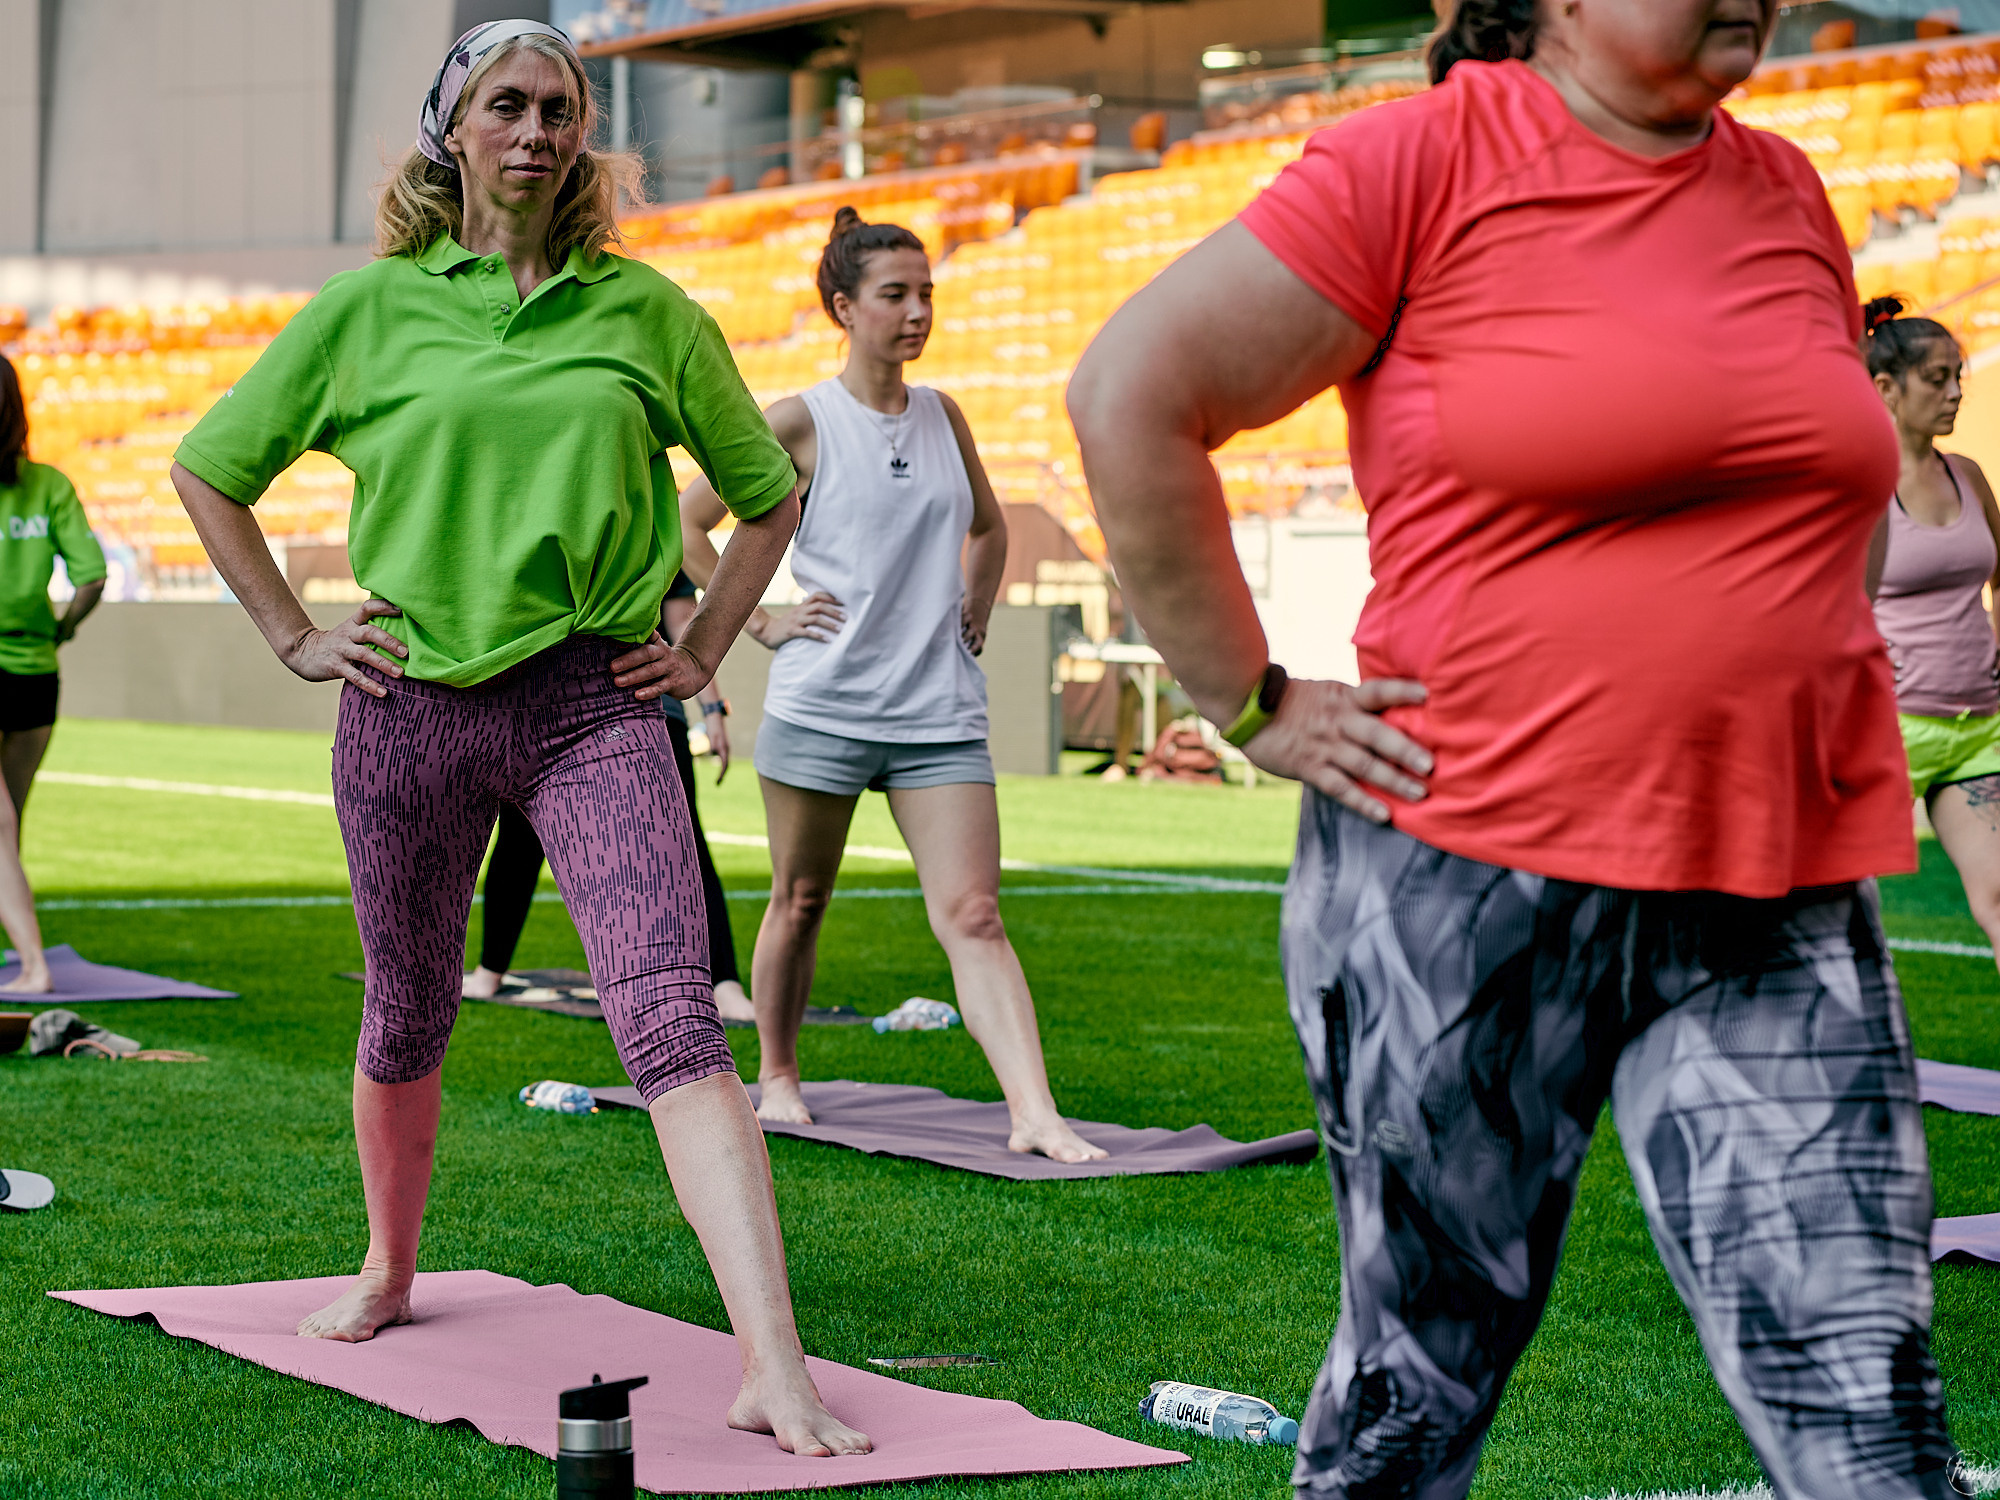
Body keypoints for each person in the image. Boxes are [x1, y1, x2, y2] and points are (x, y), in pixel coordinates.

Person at [1068, 1, 1957, 1495]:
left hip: (1775, 874)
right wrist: (1254, 702)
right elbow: (1130, 393)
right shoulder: (1415, 164)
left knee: (1868, 1401)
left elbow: (1822, 476)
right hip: (1464, 872)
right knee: (1415, 1395)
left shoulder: (1786, 188)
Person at [168, 20, 868, 1457]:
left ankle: (773, 1364)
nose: (537, 131)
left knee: (670, 1015)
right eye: (507, 105)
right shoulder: (367, 312)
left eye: (560, 107)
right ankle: (387, 1269)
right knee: (406, 1010)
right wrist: (294, 634)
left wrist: (702, 649)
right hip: (405, 708)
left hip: (591, 709)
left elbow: (766, 496)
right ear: (455, 128)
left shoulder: (647, 312)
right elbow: (209, 468)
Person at [679, 208, 1104, 1163]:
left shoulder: (945, 415)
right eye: (895, 296)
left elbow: (989, 527)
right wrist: (760, 620)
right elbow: (685, 521)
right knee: (800, 900)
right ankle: (778, 1076)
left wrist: (976, 606)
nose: (917, 313)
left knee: (975, 914)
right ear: (843, 307)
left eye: (927, 295)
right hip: (823, 706)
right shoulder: (801, 420)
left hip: (938, 711)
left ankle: (1034, 1113)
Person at [464, 569, 755, 1023]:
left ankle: (724, 983)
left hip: (640, 703)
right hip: (541, 701)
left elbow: (682, 616)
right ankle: (489, 969)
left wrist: (712, 708)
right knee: (519, 835)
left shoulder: (655, 525)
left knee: (683, 843)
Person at [1863, 299, 2000, 975]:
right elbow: (1838, 607)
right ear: (1887, 388)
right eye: (1937, 379)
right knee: (1838, 908)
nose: (1954, 393)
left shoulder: (1966, 474)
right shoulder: (1860, 488)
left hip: (1979, 731)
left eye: (1958, 377)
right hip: (1888, 732)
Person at [0, 356, 106, 994]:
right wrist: (62, 627)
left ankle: (34, 965)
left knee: (1, 826)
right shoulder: (50, 486)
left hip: (21, 668)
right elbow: (91, 578)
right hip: (36, 670)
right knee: (9, 820)